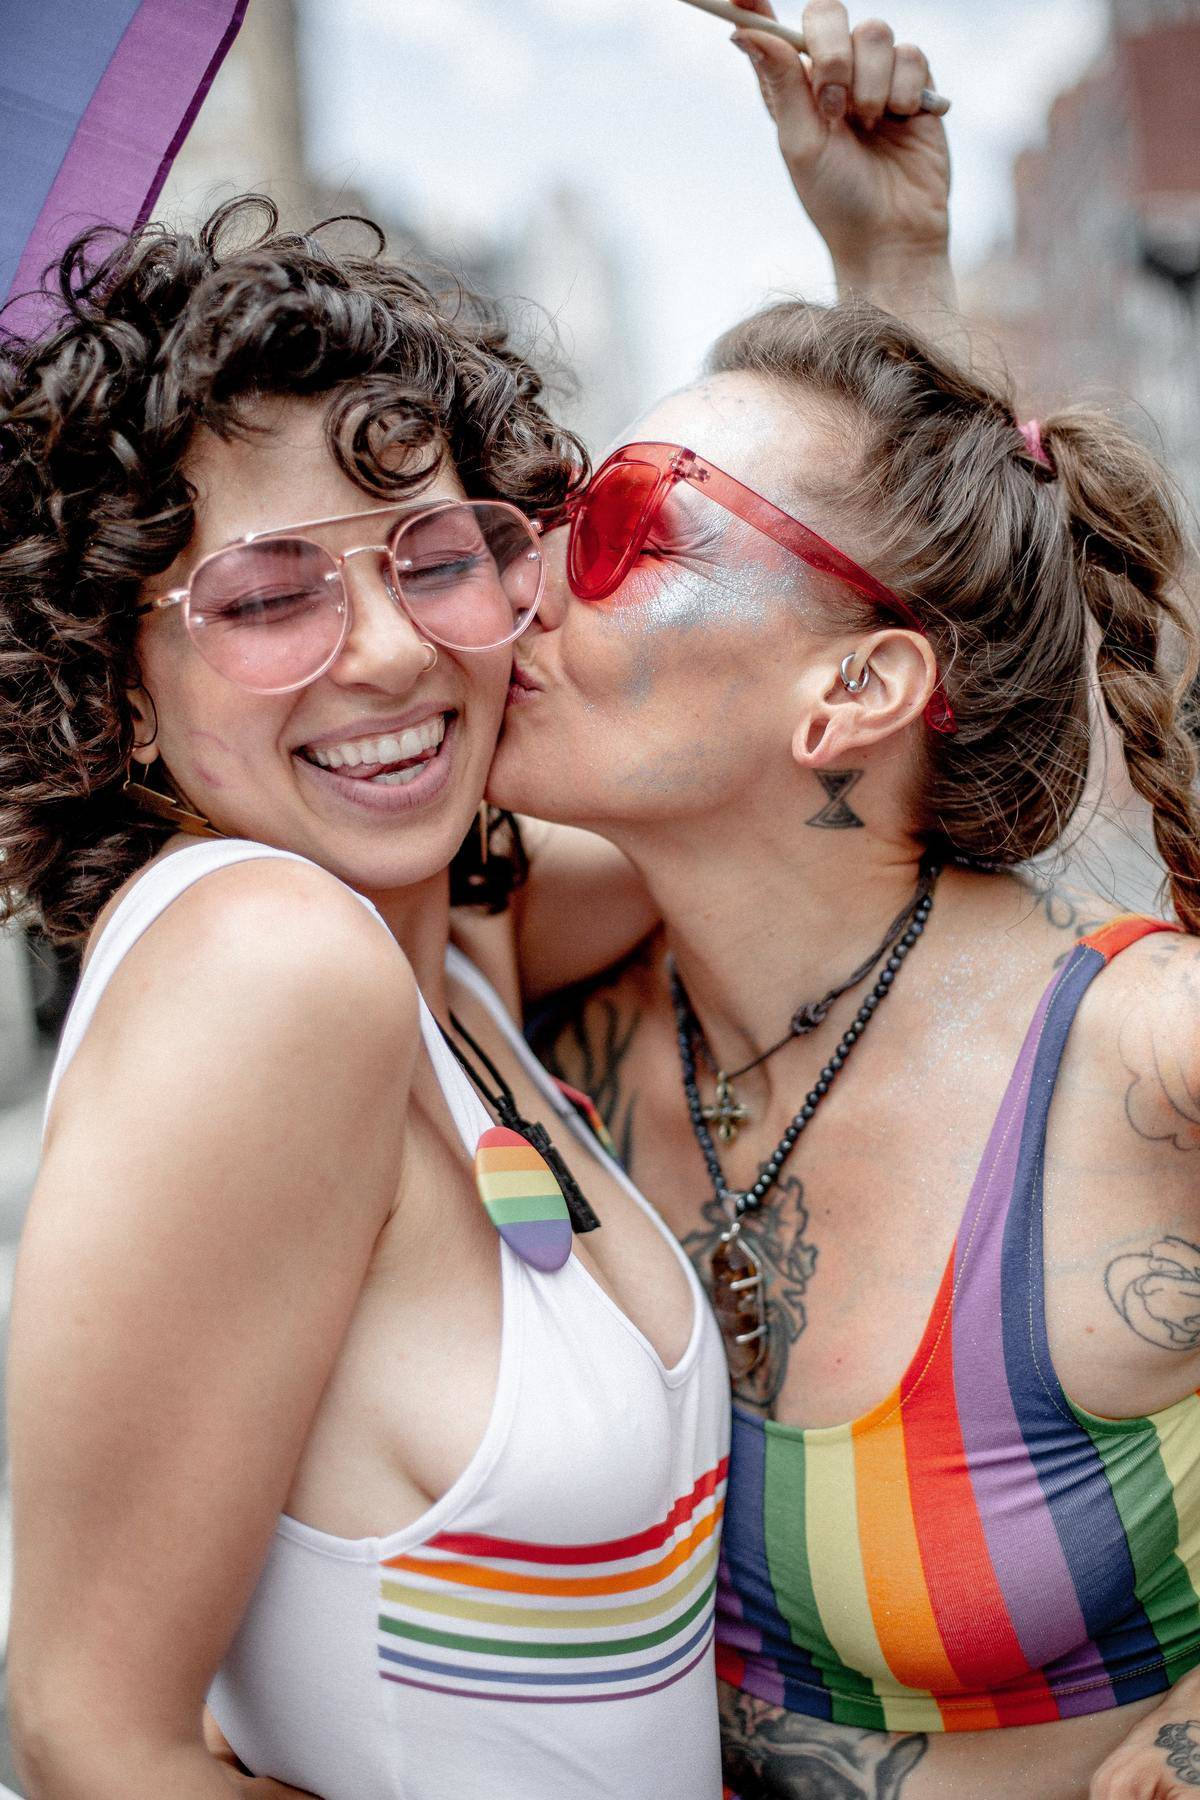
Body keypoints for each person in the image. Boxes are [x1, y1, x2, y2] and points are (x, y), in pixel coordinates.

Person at [481, 5, 1200, 1796]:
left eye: (625, 521)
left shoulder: (1137, 1053)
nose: (526, 567)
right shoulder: (537, 996)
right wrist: (887, 258)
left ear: (854, 697)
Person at [0, 202, 731, 1800]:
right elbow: (88, 1741)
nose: (393, 652)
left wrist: (887, 264)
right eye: (268, 600)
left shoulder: (452, 942)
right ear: (118, 683)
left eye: (440, 558)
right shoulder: (275, 964)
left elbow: (743, 816)